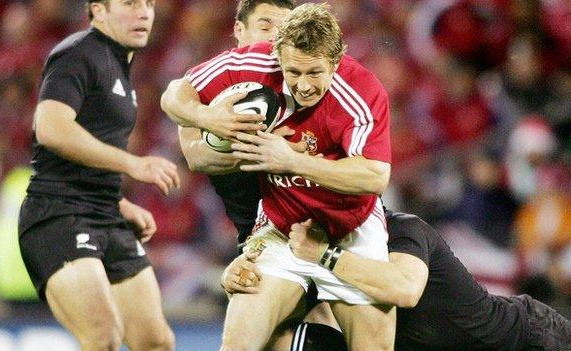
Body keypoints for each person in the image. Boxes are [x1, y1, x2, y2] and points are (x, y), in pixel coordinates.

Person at [162, 3, 395, 350]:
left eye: (314, 73)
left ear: (336, 61)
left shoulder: (362, 90)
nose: (302, 86)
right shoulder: (257, 62)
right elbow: (175, 94)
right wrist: (208, 117)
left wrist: (292, 161)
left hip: (351, 235)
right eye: (293, 72)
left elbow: (375, 176)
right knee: (238, 344)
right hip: (280, 232)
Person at [18, 1, 179, 350]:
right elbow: (51, 128)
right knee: (103, 339)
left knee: (156, 342)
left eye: (149, 3)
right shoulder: (78, 53)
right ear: (99, 11)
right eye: (130, 3)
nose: (144, 12)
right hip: (59, 215)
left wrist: (120, 203)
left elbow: (84, 147)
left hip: (104, 213)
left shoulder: (118, 63)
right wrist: (133, 164)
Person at [223, 210, 571, 350]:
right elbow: (272, 309)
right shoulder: (307, 246)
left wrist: (325, 256)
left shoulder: (402, 229)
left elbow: (405, 289)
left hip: (523, 340)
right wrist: (236, 277)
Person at [176, 0, 297, 245]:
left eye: (285, 31)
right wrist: (209, 118)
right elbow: (195, 157)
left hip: (323, 227)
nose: (275, 36)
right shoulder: (207, 90)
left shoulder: (304, 81)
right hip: (259, 237)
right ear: (239, 30)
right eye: (265, 28)